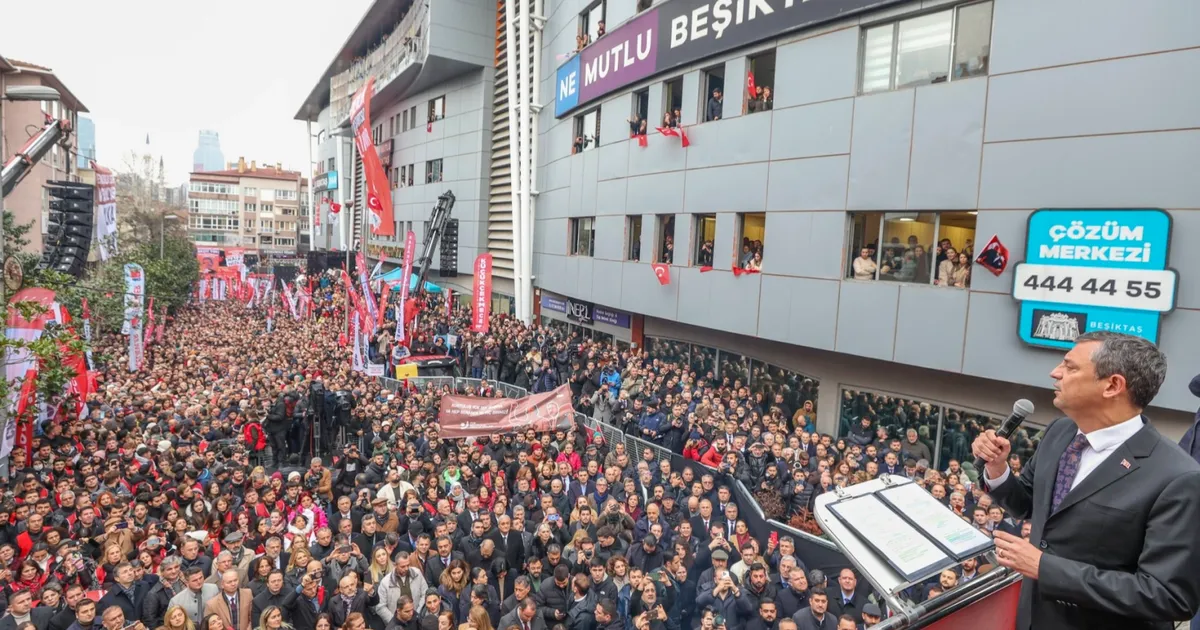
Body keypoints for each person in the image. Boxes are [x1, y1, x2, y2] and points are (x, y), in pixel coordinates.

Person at [973, 332, 1200, 629]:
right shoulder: (1059, 432)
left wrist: (1046, 568)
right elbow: (1028, 502)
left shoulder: (1177, 476)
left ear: (1113, 385)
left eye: (1070, 367)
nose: (1055, 373)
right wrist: (997, 468)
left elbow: (1168, 596)